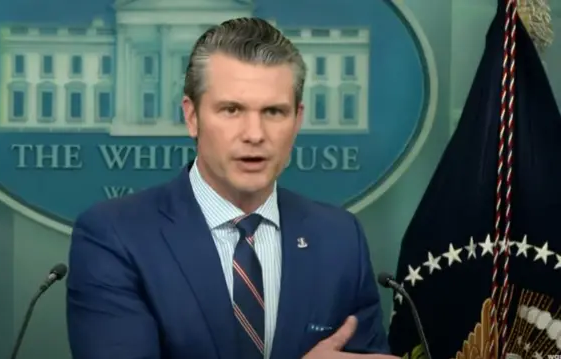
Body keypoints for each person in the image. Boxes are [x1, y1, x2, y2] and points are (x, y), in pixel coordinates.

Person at [66, 17, 396, 359]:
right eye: (232, 109)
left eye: (273, 111)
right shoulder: (115, 235)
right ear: (192, 117)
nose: (254, 134)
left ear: (297, 120)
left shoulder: (341, 238)